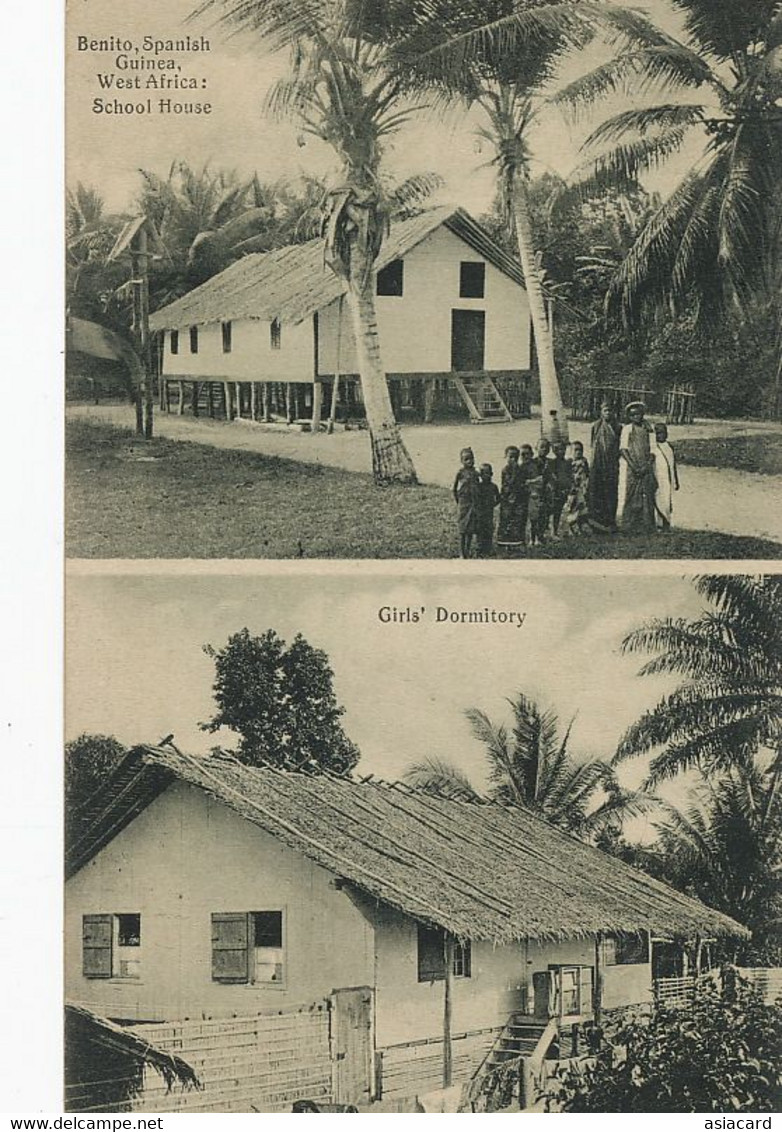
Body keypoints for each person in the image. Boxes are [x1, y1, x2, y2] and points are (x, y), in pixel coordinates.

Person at [617, 401, 656, 533]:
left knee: (647, 495)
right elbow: (623, 449)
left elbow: (653, 450)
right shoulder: (627, 429)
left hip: (646, 467)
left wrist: (646, 466)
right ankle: (629, 525)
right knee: (632, 494)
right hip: (633, 467)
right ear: (629, 416)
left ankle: (646, 525)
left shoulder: (648, 429)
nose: (636, 417)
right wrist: (633, 466)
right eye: (633, 415)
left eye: (638, 414)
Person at [588, 401, 620, 531]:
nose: (608, 413)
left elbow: (619, 446)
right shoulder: (596, 426)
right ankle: (596, 521)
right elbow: (593, 445)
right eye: (605, 410)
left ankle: (610, 520)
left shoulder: (618, 427)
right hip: (598, 464)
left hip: (611, 465)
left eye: (610, 411)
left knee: (611, 492)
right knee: (597, 490)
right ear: (601, 412)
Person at [497, 446, 525, 556]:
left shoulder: (520, 469)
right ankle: (504, 545)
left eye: (516, 457)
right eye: (511, 457)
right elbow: (509, 484)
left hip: (517, 499)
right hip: (507, 500)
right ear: (506, 457)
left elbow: (520, 484)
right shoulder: (506, 470)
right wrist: (514, 471)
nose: (513, 459)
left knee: (516, 522)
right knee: (505, 520)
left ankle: (515, 545)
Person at [452, 446, 480, 558]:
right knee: (463, 529)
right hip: (464, 503)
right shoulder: (460, 473)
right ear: (462, 461)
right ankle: (461, 552)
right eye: (466, 459)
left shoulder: (476, 473)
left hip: (473, 503)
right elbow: (454, 488)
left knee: (470, 529)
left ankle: (467, 551)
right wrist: (458, 500)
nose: (470, 461)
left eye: (471, 458)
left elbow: (478, 487)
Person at [653, 422, 680, 530]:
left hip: (668, 479)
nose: (661, 435)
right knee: (658, 500)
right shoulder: (653, 447)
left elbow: (673, 464)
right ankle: (659, 524)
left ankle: (666, 522)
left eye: (663, 433)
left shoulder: (669, 447)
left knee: (667, 500)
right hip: (658, 478)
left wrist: (676, 480)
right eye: (658, 433)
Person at [564, 441, 590, 535]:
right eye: (576, 450)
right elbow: (567, 476)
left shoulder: (584, 461)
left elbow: (587, 474)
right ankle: (571, 528)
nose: (578, 452)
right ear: (571, 451)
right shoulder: (569, 462)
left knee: (581, 507)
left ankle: (580, 526)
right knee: (571, 507)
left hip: (581, 488)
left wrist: (586, 485)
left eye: (580, 450)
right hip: (572, 489)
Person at [530, 437, 553, 544]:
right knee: (534, 518)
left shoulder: (550, 462)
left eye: (546, 447)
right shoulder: (532, 462)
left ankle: (541, 536)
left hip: (545, 493)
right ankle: (532, 538)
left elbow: (552, 477)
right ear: (536, 448)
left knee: (544, 516)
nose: (544, 449)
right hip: (535, 493)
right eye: (541, 447)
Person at [475, 463, 501, 556]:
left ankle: (488, 548)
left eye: (487, 473)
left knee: (489, 530)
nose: (485, 476)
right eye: (482, 473)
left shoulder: (493, 486)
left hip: (489, 512)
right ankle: (479, 548)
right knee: (480, 530)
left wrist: (493, 505)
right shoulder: (478, 486)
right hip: (480, 512)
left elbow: (498, 498)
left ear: (491, 474)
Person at [549, 440, 573, 536]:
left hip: (566, 490)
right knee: (556, 511)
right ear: (554, 451)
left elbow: (570, 476)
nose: (561, 451)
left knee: (566, 510)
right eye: (558, 449)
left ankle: (565, 530)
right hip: (556, 491)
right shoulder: (552, 463)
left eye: (563, 449)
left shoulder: (567, 463)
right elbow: (552, 477)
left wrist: (569, 487)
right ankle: (553, 531)